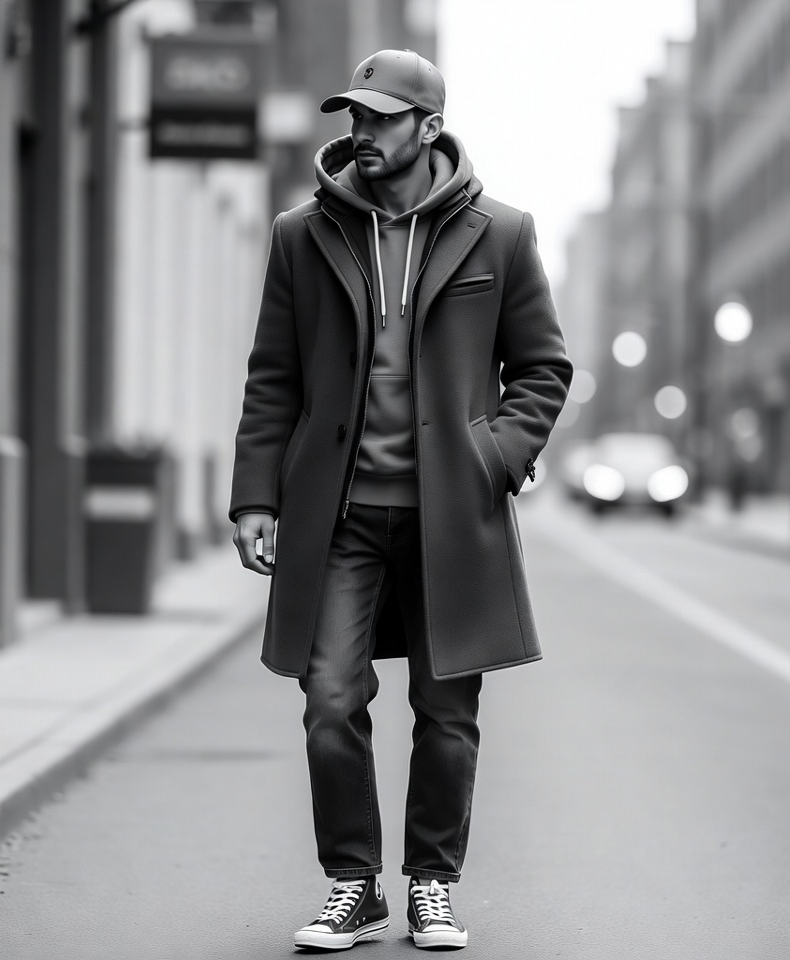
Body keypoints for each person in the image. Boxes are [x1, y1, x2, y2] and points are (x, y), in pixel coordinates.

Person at [230, 49, 572, 951]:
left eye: (382, 118)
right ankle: (354, 884)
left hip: (450, 519)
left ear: (429, 126)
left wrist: (493, 457)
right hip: (336, 516)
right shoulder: (302, 234)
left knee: (445, 712)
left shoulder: (501, 232)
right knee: (329, 698)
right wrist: (254, 497)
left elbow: (543, 367)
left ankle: (431, 886)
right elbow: (273, 378)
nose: (361, 132)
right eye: (354, 115)